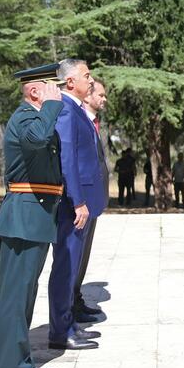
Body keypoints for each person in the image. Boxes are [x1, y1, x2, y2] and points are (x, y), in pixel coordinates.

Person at [0, 64, 65, 368]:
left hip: (35, 216)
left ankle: (21, 363)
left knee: (25, 295)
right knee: (15, 296)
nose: (58, 91)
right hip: (22, 217)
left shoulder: (37, 118)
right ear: (35, 91)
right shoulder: (26, 117)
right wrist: (52, 106)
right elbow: (37, 141)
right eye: (52, 86)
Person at [47, 58, 107, 351]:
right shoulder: (68, 111)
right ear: (70, 82)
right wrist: (78, 201)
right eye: (86, 75)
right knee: (65, 268)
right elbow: (67, 160)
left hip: (80, 202)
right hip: (73, 206)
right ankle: (60, 332)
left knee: (71, 269)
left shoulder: (76, 110)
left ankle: (68, 324)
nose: (91, 80)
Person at [72, 79, 109, 324]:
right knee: (73, 258)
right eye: (101, 95)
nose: (104, 99)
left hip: (93, 201)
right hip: (80, 201)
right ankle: (68, 310)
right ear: (88, 97)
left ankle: (76, 301)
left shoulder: (95, 122)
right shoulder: (78, 119)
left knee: (83, 257)